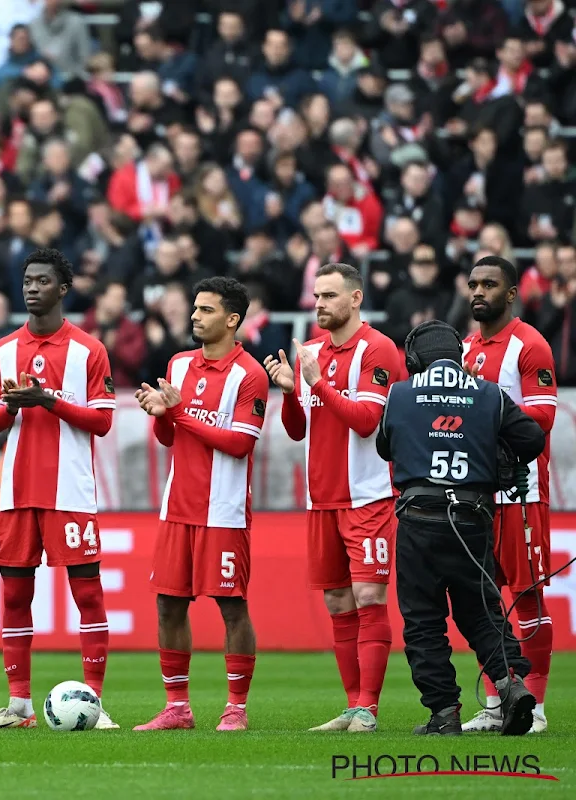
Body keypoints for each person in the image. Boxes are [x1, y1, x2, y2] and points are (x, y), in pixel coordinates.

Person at [0, 247, 118, 731]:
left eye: (42, 281)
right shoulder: (4, 349)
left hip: (70, 492)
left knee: (88, 595)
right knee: (14, 596)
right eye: (27, 281)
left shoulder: (89, 351)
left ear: (63, 289)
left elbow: (101, 421)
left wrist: (49, 400)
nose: (32, 288)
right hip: (16, 493)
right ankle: (18, 706)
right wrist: (15, 405)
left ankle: (95, 704)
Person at [376, 320, 543, 736]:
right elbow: (533, 440)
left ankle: (444, 713)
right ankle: (511, 686)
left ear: (413, 359)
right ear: (460, 356)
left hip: (419, 518)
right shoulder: (487, 392)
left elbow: (384, 447)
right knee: (483, 612)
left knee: (423, 621)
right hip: (472, 519)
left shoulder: (399, 392)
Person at [263, 262, 399, 733]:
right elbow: (298, 430)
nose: (318, 304)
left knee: (368, 595)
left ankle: (370, 707)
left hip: (367, 496)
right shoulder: (313, 351)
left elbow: (366, 421)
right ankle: (351, 706)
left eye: (329, 296)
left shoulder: (378, 349)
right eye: (316, 296)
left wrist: (317, 381)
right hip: (320, 499)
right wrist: (289, 392)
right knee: (339, 603)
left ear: (356, 298)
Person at [133, 277, 269, 733]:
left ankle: (236, 707)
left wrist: (180, 413)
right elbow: (170, 437)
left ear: (232, 320)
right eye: (195, 308)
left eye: (206, 310)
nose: (195, 316)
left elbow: (239, 445)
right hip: (178, 507)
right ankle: (177, 707)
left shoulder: (249, 375)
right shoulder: (178, 364)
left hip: (224, 511)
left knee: (232, 608)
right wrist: (162, 415)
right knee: (168, 605)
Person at [460, 255, 556, 735]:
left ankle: (534, 704)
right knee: (484, 600)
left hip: (520, 493)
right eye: (474, 283)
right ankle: (502, 697)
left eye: (489, 284)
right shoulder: (465, 347)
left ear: (511, 293)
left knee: (528, 595)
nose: (479, 291)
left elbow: (542, 418)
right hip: (475, 493)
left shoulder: (529, 344)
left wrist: (487, 409)